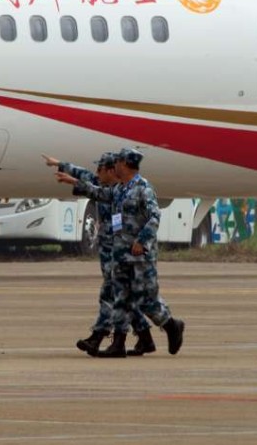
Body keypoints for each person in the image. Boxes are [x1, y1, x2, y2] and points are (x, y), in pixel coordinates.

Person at [64, 148, 185, 358]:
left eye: (118, 162)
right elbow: (100, 193)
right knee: (121, 298)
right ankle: (118, 344)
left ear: (126, 165)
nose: (115, 165)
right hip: (120, 254)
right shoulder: (120, 189)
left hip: (139, 256)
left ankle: (171, 325)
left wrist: (142, 240)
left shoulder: (143, 188)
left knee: (145, 300)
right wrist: (75, 183)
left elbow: (154, 216)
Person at [44, 152, 153, 357]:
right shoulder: (102, 184)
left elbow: (148, 217)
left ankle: (98, 336)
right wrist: (60, 164)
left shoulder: (124, 191)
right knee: (122, 296)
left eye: (100, 168)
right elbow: (84, 175)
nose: (96, 173)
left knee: (111, 294)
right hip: (108, 247)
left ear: (112, 170)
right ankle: (145, 336)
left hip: (121, 249)